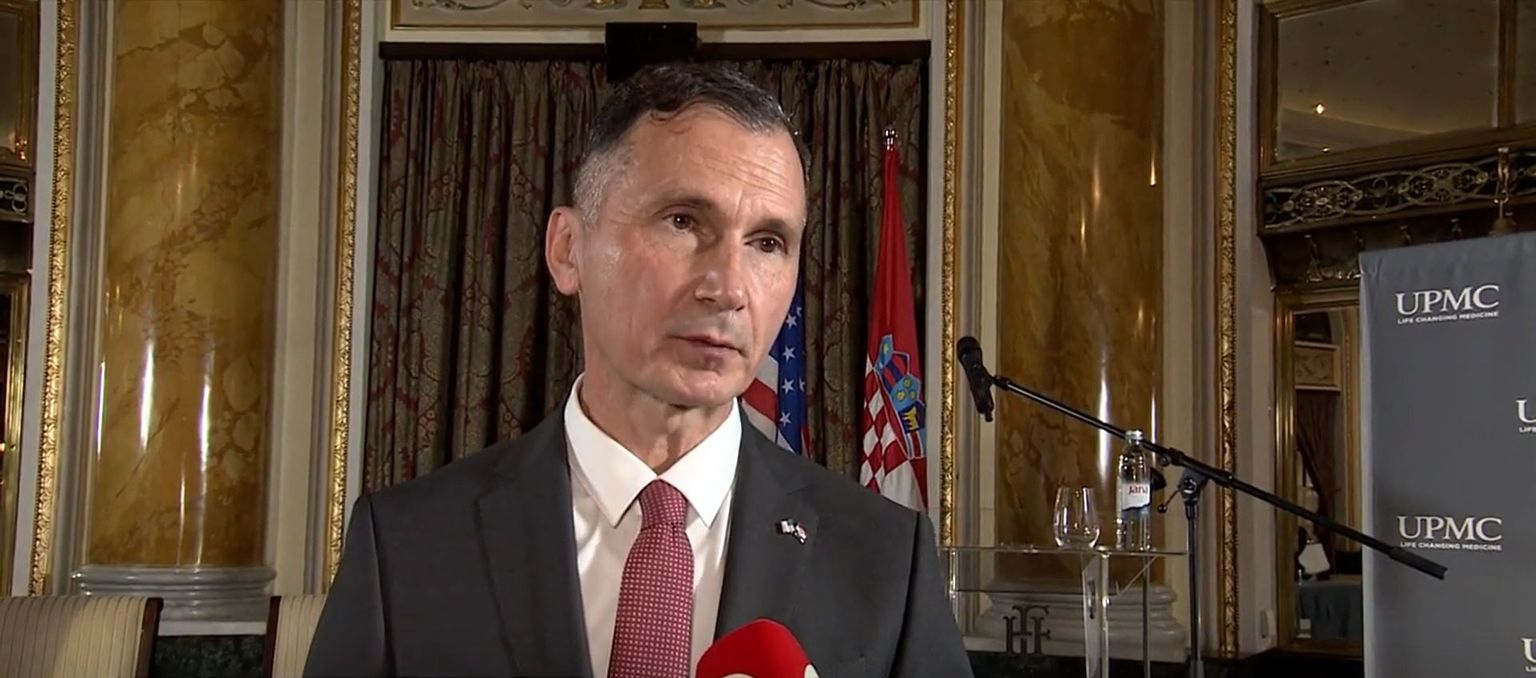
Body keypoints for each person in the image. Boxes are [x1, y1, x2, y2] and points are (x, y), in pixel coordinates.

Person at [304, 62, 973, 678]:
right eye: (683, 221)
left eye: (768, 243)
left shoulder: (887, 561)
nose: (728, 288)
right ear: (568, 250)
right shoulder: (405, 547)